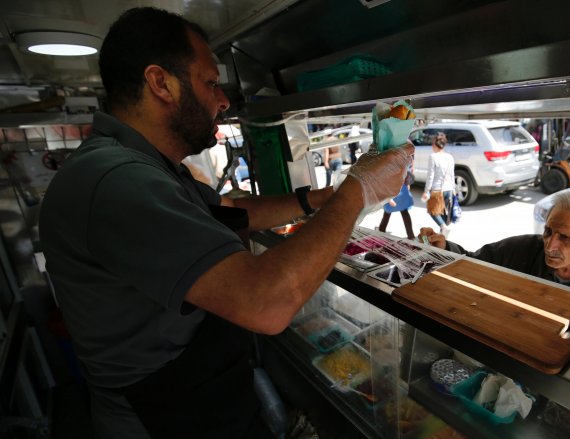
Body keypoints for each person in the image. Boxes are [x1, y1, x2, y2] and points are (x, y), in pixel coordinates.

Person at [37, 7, 413, 439]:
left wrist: (322, 198)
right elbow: (266, 304)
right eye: (210, 82)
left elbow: (228, 212)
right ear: (160, 82)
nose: (222, 100)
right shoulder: (114, 181)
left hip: (190, 394)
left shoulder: (143, 167)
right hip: (162, 417)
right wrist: (359, 191)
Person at [419, 191, 570, 301]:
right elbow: (474, 261)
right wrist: (445, 246)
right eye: (548, 232)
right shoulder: (521, 249)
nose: (550, 245)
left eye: (565, 238)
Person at [421, 132, 455, 236]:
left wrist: (426, 191)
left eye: (432, 144)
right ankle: (443, 235)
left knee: (433, 211)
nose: (432, 146)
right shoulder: (450, 156)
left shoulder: (433, 156)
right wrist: (453, 189)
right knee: (443, 212)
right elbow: (452, 174)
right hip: (448, 189)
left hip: (437, 190)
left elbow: (430, 176)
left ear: (435, 145)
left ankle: (443, 228)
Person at [378, 162, 416, 239]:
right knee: (404, 213)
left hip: (394, 195)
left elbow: (384, 184)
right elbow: (408, 179)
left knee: (387, 214)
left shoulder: (388, 168)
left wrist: (389, 199)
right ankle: (411, 235)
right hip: (399, 195)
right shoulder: (402, 166)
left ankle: (381, 231)